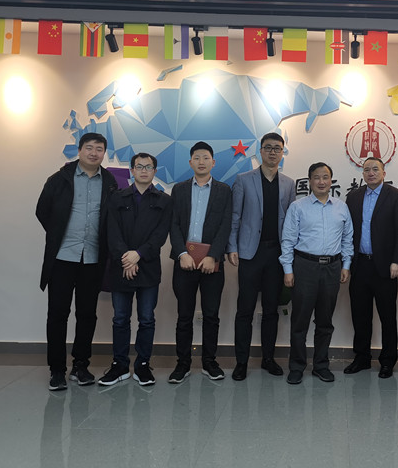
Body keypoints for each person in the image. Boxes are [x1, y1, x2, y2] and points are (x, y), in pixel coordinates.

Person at [36, 133, 118, 391]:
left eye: (99, 149)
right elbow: (42, 210)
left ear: (104, 153)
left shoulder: (110, 182)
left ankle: (81, 366)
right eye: (89, 148)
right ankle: (57, 370)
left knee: (86, 314)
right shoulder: (59, 178)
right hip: (63, 257)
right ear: (80, 150)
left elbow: (113, 218)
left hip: (93, 258)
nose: (94, 153)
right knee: (57, 314)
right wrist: (59, 234)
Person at [227, 133, 296, 381]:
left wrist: (289, 254)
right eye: (268, 148)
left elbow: (291, 222)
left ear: (282, 153)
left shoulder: (289, 183)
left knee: (271, 310)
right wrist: (232, 246)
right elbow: (235, 216)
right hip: (249, 253)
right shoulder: (243, 180)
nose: (273, 152)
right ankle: (241, 362)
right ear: (260, 152)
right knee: (244, 310)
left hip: (276, 254)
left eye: (277, 148)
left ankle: (268, 358)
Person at [100, 153, 172, 386]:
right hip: (121, 267)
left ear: (154, 171)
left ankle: (142, 365)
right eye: (139, 166)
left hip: (148, 267)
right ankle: (119, 365)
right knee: (120, 318)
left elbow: (160, 235)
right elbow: (112, 231)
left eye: (148, 167)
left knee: (146, 319)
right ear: (132, 170)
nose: (143, 170)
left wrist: (138, 254)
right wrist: (127, 258)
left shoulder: (164, 200)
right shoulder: (117, 197)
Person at [279, 162, 353, 385]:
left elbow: (347, 239)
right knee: (299, 321)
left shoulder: (341, 207)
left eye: (325, 177)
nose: (321, 181)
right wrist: (288, 270)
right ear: (309, 181)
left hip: (332, 268)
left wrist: (346, 265)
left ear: (331, 180)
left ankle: (321, 365)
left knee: (325, 321)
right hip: (304, 267)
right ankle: (296, 366)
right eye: (317, 177)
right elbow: (288, 240)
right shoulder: (298, 207)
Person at [167, 142, 232, 384]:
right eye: (197, 157)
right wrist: (181, 253)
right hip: (184, 261)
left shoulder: (224, 190)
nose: (201, 161)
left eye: (206, 157)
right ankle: (182, 363)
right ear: (190, 162)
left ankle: (209, 362)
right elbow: (173, 224)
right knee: (184, 315)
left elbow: (226, 226)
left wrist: (213, 255)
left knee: (211, 315)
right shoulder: (179, 189)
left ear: (213, 162)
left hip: (211, 263)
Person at [344, 157, 398, 379]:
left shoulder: (396, 196)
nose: (370, 173)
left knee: (387, 317)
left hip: (385, 267)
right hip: (360, 264)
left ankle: (388, 360)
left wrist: (397, 261)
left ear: (383, 172)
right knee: (360, 315)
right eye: (366, 170)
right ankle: (361, 357)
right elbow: (347, 231)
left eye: (375, 169)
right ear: (362, 173)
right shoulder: (353, 197)